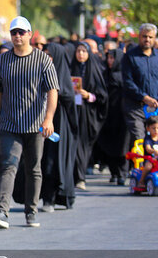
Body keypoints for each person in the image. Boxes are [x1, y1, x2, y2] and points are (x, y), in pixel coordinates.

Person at [0, 16, 59, 229]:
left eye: (21, 32)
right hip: (9, 125)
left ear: (30, 34)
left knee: (33, 168)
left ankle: (31, 210)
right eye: (14, 32)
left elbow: (52, 91)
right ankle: (2, 211)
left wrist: (48, 119)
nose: (17, 36)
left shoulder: (42, 60)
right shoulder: (3, 60)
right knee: (8, 166)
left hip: (36, 125)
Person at [37, 43, 79, 210]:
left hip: (60, 124)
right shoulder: (40, 73)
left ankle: (57, 197)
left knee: (55, 160)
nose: (47, 58)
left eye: (50, 54)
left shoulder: (63, 76)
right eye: (44, 54)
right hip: (41, 123)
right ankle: (46, 197)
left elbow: (68, 98)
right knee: (43, 159)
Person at [70, 42, 109, 190]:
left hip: (88, 113)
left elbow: (102, 96)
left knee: (83, 145)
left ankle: (80, 177)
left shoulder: (94, 70)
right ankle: (75, 176)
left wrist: (88, 95)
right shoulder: (70, 68)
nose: (80, 54)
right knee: (74, 144)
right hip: (72, 111)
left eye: (83, 51)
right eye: (78, 51)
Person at [95, 48, 130, 186]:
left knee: (122, 145)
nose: (110, 61)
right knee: (108, 144)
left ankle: (122, 173)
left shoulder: (125, 75)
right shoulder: (104, 74)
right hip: (107, 115)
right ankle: (114, 172)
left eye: (113, 58)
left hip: (121, 116)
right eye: (108, 58)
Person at [122, 23, 158, 147]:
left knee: (154, 141)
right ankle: (139, 166)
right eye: (144, 36)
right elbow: (127, 82)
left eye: (150, 37)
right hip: (135, 107)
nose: (147, 39)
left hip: (154, 107)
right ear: (139, 37)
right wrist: (145, 97)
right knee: (139, 140)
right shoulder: (130, 56)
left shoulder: (157, 57)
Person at [136, 116, 158, 189]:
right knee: (148, 166)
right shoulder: (148, 139)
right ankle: (141, 181)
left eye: (157, 128)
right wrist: (154, 151)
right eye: (153, 128)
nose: (156, 131)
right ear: (148, 128)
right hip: (150, 159)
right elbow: (148, 148)